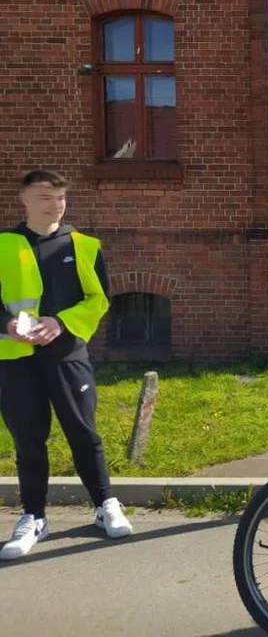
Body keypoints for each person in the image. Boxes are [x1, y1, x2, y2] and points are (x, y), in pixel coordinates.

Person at [0, 170, 132, 561]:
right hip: (16, 359)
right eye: (44, 196)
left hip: (67, 356)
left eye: (60, 197)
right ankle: (33, 517)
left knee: (83, 432)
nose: (54, 204)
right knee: (28, 440)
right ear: (23, 199)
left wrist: (60, 322)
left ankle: (105, 504)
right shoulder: (4, 245)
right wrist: (6, 324)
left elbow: (98, 299)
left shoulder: (84, 245)